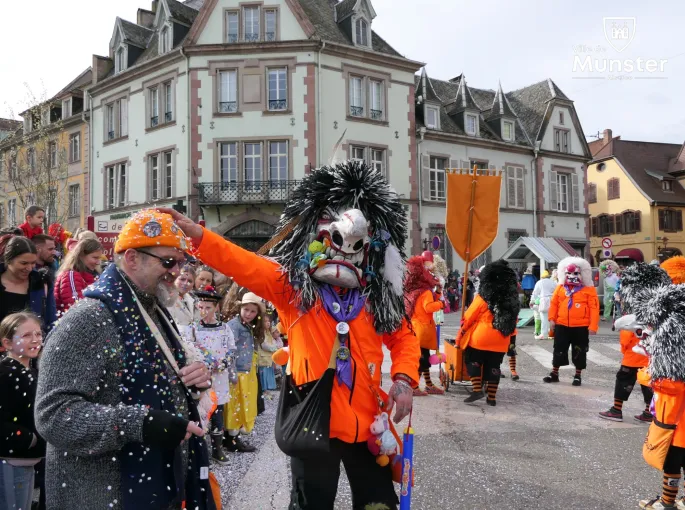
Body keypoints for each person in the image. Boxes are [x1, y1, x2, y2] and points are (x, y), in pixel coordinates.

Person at [160, 160, 419, 510]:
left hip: (369, 424)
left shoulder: (378, 299)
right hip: (315, 423)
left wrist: (403, 379)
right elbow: (245, 263)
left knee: (379, 505)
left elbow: (404, 337)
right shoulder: (294, 290)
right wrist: (199, 237)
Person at [34, 210, 215, 510]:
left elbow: (160, 381)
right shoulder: (89, 318)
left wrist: (192, 383)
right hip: (103, 496)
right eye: (169, 262)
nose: (177, 271)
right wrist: (139, 423)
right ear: (132, 259)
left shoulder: (153, 308)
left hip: (153, 488)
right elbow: (53, 415)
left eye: (183, 262)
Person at [599, 262, 670, 423]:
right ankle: (648, 412)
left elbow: (626, 334)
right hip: (651, 353)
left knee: (624, 378)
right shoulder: (659, 308)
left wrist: (624, 349)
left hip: (633, 352)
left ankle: (617, 409)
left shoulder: (634, 309)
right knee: (648, 382)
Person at [0, 312, 46, 510]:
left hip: (26, 457)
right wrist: (26, 438)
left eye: (38, 334)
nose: (35, 339)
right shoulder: (5, 373)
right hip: (9, 458)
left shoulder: (31, 371)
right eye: (27, 335)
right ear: (8, 343)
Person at [186, 284, 236, 465]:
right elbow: (190, 349)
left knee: (218, 413)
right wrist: (204, 362)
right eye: (200, 307)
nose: (204, 311)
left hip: (220, 378)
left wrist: (223, 362)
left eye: (208, 307)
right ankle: (199, 450)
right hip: (202, 378)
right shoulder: (193, 329)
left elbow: (231, 349)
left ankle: (217, 449)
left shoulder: (224, 328)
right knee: (200, 411)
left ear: (216, 308)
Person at [458, 260, 520, 406]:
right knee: (494, 366)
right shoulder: (512, 299)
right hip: (501, 338)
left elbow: (469, 316)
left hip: (482, 337)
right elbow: (514, 319)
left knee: (473, 360)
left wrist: (462, 331)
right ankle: (491, 398)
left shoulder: (482, 297)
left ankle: (477, 389)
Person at [543, 257, 600, 386]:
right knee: (558, 348)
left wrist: (593, 326)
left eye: (575, 273)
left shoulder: (588, 289)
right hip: (562, 324)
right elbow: (554, 304)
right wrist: (552, 319)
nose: (572, 276)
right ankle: (554, 373)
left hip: (581, 326)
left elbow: (594, 308)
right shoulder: (561, 287)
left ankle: (578, 375)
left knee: (579, 350)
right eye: (569, 273)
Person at [223, 292, 264, 453]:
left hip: (246, 371)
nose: (249, 314)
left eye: (253, 311)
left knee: (242, 404)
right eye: (246, 310)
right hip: (237, 372)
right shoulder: (234, 326)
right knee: (235, 405)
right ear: (240, 308)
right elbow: (229, 350)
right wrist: (231, 371)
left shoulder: (248, 326)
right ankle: (231, 439)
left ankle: (235, 437)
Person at [404, 251, 444, 396]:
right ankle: (414, 386)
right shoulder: (425, 292)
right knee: (423, 360)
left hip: (417, 328)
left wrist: (438, 294)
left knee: (424, 359)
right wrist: (441, 303)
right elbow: (428, 307)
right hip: (423, 329)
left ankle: (428, 384)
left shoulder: (417, 291)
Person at [0, 235, 56, 333]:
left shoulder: (42, 282)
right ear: (8, 260)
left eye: (33, 263)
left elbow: (50, 321)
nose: (29, 268)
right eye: (24, 263)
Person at [53, 238, 103, 315]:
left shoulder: (92, 275)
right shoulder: (71, 276)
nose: (98, 262)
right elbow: (76, 308)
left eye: (99, 258)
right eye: (95, 258)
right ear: (81, 256)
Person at [168, 263, 198, 332]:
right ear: (175, 279)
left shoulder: (192, 300)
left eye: (190, 281)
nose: (185, 283)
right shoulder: (168, 298)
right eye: (182, 279)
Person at [258, 314, 282, 391]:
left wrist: (275, 347)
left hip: (269, 358)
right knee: (265, 372)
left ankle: (270, 387)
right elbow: (264, 345)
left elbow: (273, 342)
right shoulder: (261, 333)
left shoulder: (268, 332)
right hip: (263, 358)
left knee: (269, 371)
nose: (268, 323)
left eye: (269, 321)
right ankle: (265, 388)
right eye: (265, 321)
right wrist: (275, 348)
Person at [531, 270, 557, 340]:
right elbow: (557, 292)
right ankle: (552, 333)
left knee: (544, 318)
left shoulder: (539, 282)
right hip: (552, 300)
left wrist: (532, 301)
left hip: (544, 301)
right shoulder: (553, 282)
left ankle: (544, 334)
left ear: (542, 277)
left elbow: (535, 293)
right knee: (552, 318)